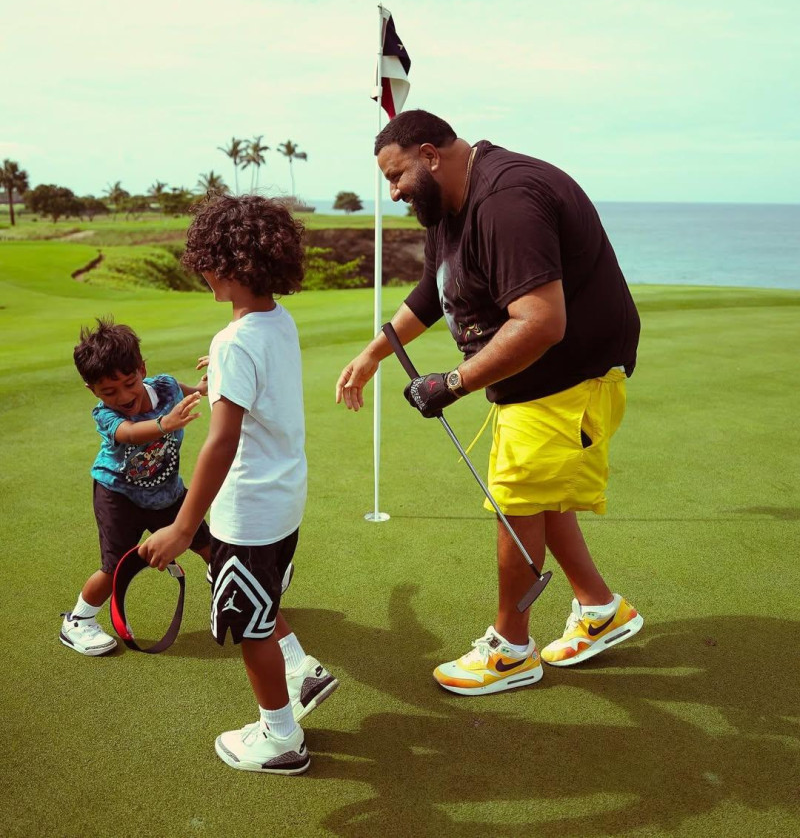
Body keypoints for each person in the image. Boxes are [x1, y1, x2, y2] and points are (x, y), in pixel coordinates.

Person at [336, 109, 643, 696]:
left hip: (565, 379)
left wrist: (450, 383)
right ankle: (602, 609)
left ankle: (511, 650)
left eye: (396, 176)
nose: (394, 191)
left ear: (430, 154)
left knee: (517, 499)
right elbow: (435, 288)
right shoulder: (449, 206)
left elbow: (541, 322)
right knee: (540, 500)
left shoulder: (506, 200)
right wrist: (376, 352)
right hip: (537, 384)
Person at [139, 193, 338, 775]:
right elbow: (255, 377)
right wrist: (221, 368)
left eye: (207, 257)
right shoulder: (273, 321)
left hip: (247, 511)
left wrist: (181, 526)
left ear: (229, 264)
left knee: (250, 628)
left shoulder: (235, 343)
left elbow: (221, 443)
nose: (201, 268)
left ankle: (281, 737)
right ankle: (301, 673)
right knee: (264, 601)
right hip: (283, 500)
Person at [64, 318, 211, 656]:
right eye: (108, 391)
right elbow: (129, 433)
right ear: (93, 391)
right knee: (115, 566)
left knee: (207, 544)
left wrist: (205, 385)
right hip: (118, 495)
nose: (123, 396)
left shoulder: (168, 387)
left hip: (167, 494)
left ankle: (238, 591)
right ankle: (78, 621)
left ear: (142, 369)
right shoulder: (105, 415)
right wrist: (164, 423)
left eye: (129, 383)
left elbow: (196, 392)